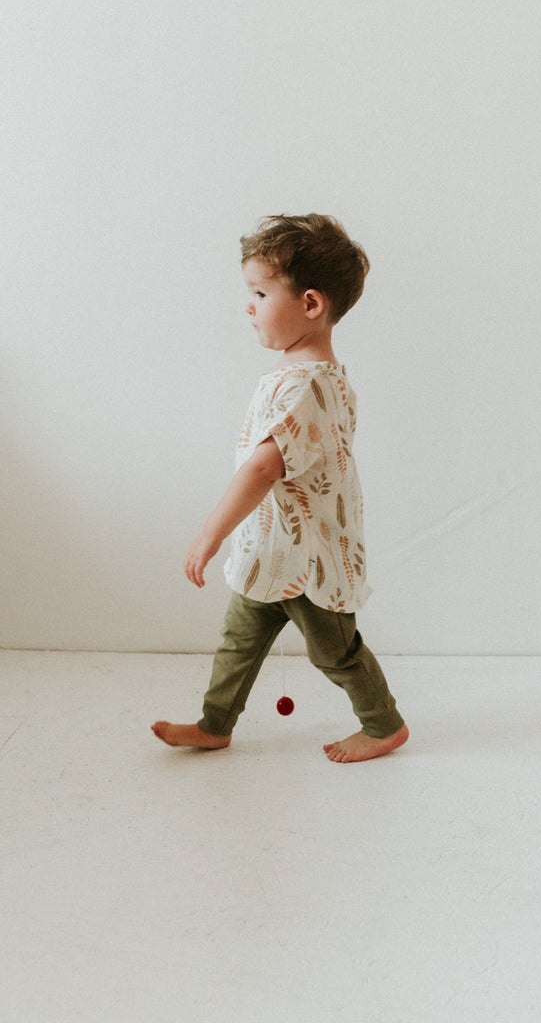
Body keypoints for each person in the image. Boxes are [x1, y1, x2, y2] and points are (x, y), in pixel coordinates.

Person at [152, 214, 408, 763]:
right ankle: (214, 724)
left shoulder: (308, 387)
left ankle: (384, 726)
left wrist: (208, 534)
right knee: (237, 643)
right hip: (270, 551)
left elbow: (262, 470)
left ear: (311, 304)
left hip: (308, 559)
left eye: (261, 292)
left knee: (335, 653)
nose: (249, 305)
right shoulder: (301, 376)